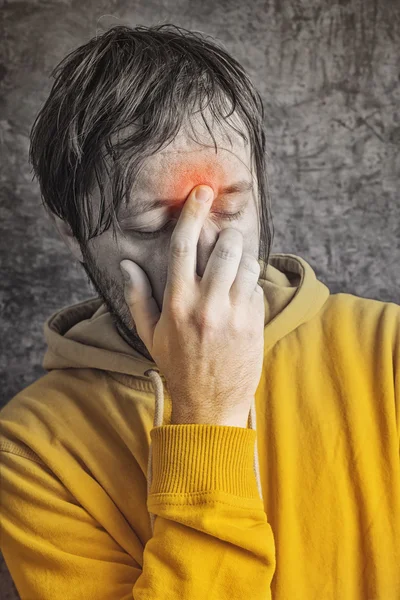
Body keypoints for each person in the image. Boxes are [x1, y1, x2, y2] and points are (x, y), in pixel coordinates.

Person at [1, 23, 399, 600]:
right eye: (155, 225)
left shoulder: (386, 352)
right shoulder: (32, 454)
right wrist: (206, 417)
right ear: (71, 231)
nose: (207, 252)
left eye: (230, 206)